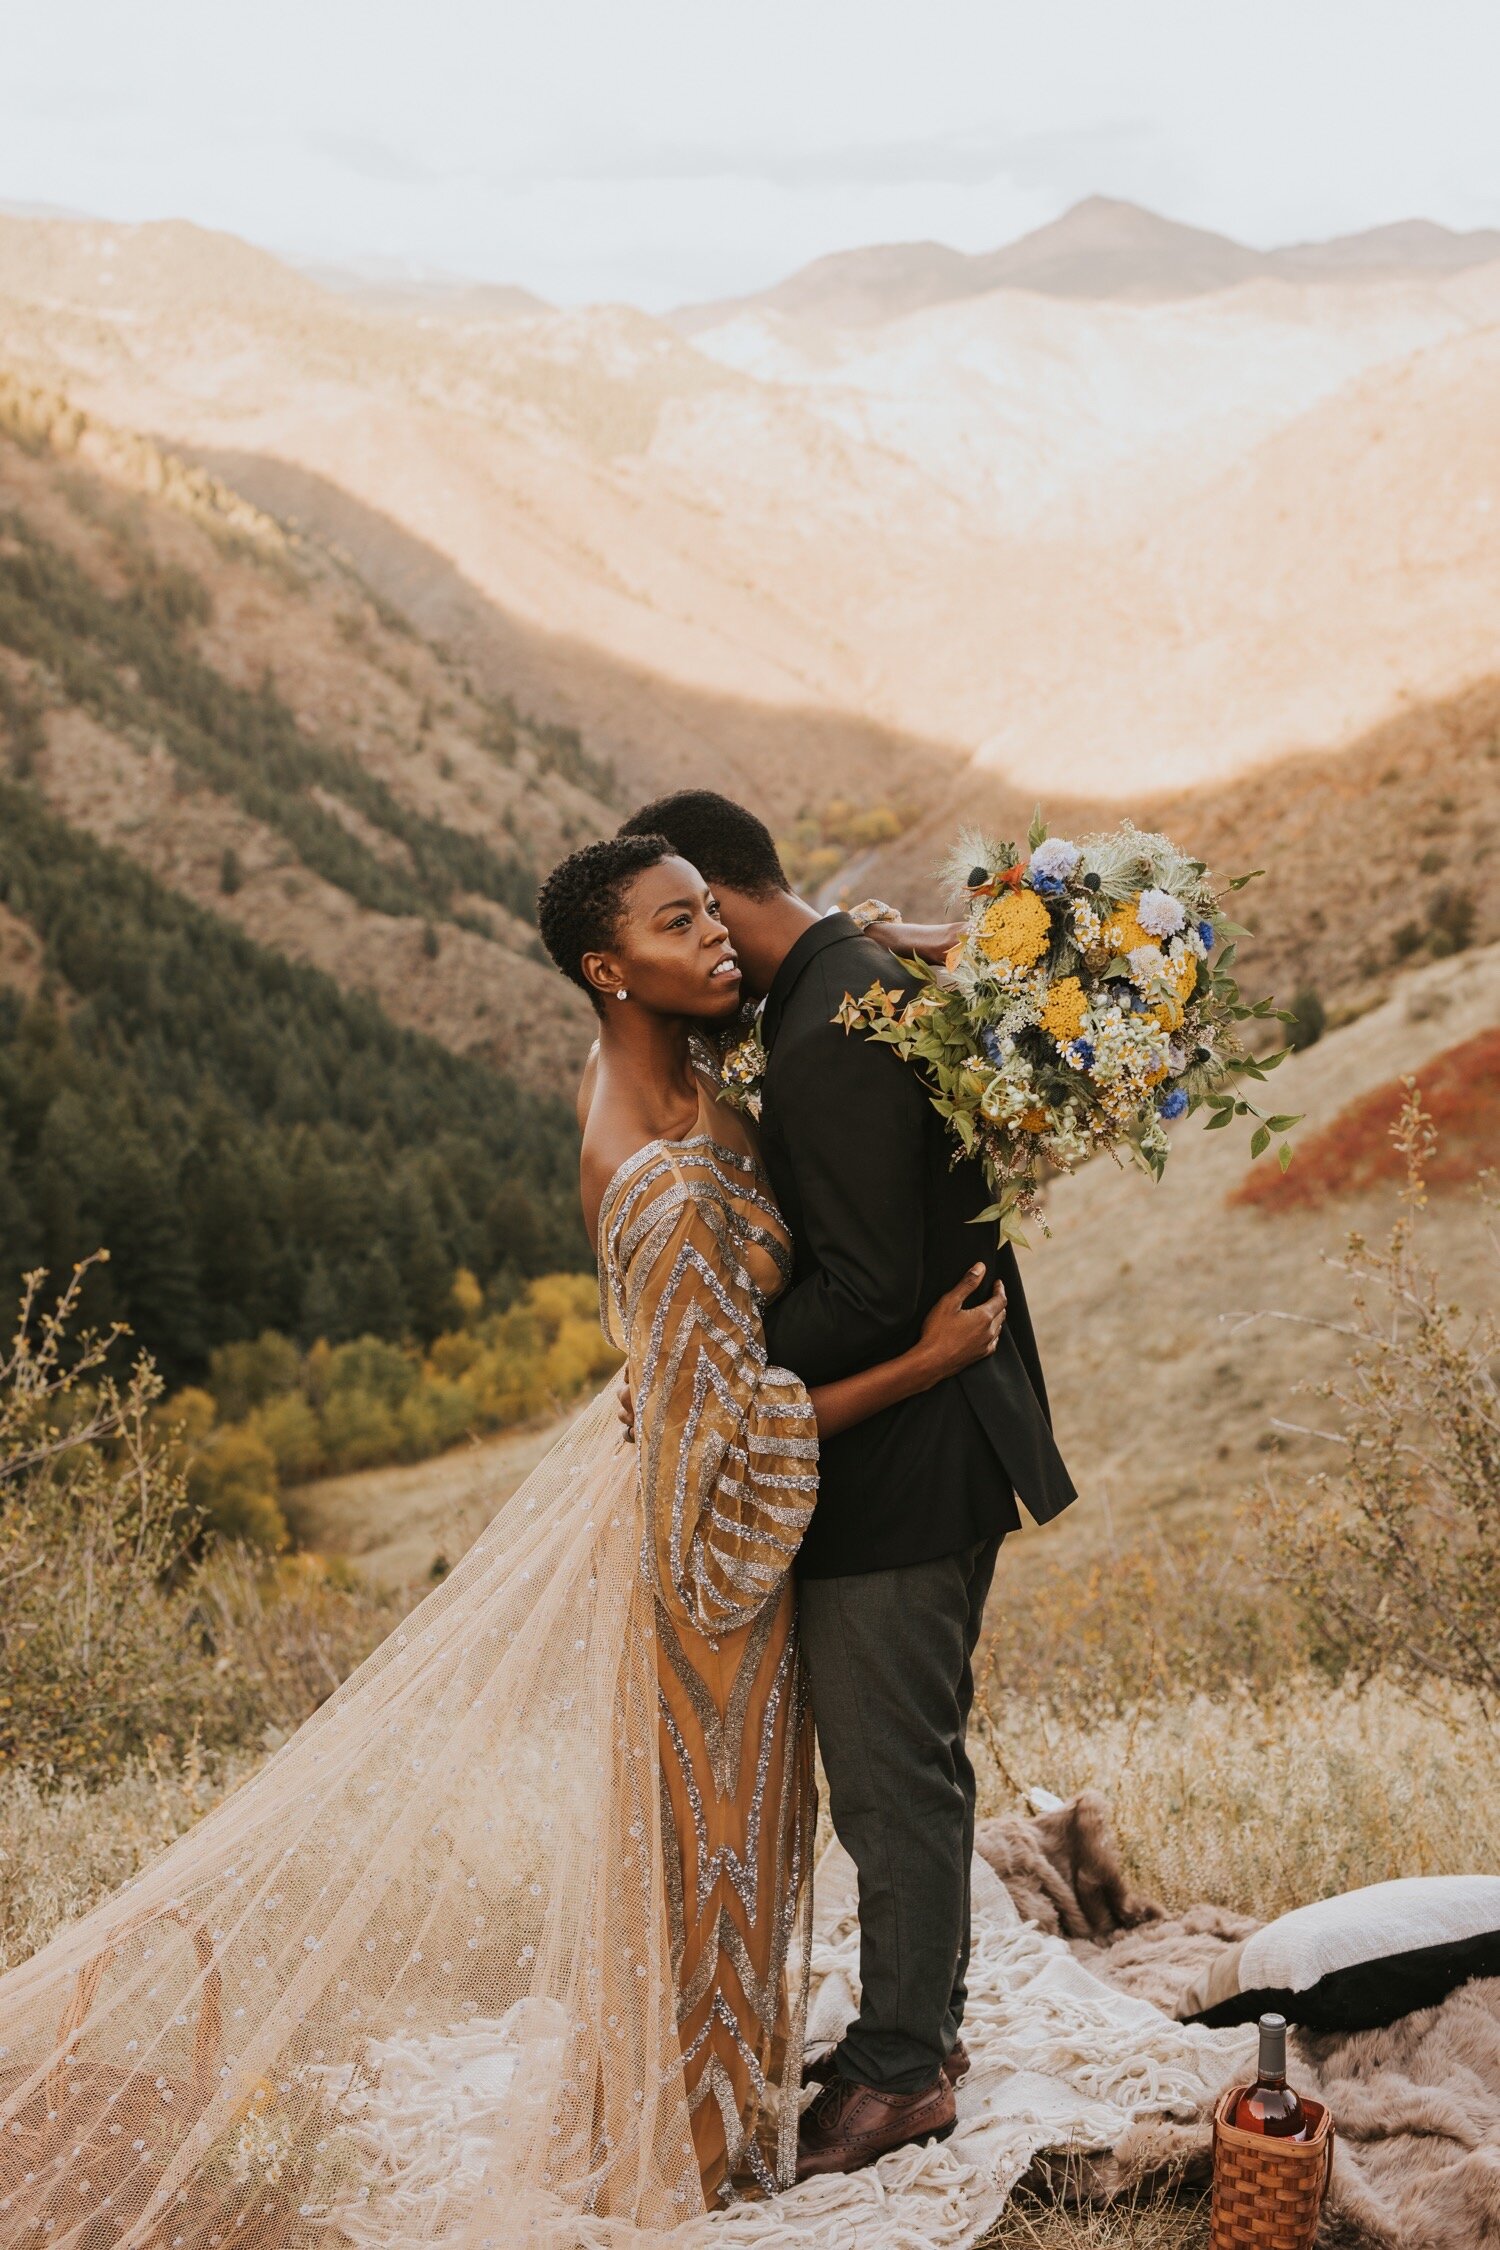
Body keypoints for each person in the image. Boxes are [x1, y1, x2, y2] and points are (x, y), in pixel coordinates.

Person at [0, 835, 1004, 2250]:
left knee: (750, 1847)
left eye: (715, 910)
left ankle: (724, 2107)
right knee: (709, 1853)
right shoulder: (645, 1163)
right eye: (677, 925)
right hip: (705, 1556)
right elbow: (717, 1428)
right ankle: (694, 2149)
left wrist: (887, 939)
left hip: (743, 1533)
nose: (718, 939)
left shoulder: (696, 1072)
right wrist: (924, 1358)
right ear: (610, 969)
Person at [617, 791, 1076, 2182]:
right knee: (913, 1762)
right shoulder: (841, 980)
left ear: (731, 894)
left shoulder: (826, 1033)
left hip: (906, 1465)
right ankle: (914, 2032)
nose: (697, 947)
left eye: (698, 916)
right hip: (929, 1445)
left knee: (891, 1783)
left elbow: (874, 1291)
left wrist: (710, 1368)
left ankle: (896, 2078)